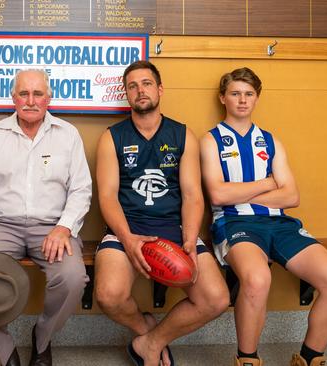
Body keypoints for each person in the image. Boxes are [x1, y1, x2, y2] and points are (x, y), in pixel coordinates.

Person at [200, 67, 327, 366]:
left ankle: (310, 358)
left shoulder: (270, 141)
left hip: (279, 224)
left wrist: (241, 192)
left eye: (249, 94)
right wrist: (269, 182)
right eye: (235, 94)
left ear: (257, 98)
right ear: (223, 98)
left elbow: (292, 197)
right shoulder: (211, 140)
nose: (242, 100)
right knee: (258, 279)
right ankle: (248, 359)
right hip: (234, 223)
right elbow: (218, 196)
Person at [94, 60, 229, 366]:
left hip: (175, 227)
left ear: (160, 89)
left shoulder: (183, 135)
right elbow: (107, 196)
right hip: (126, 228)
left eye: (146, 83)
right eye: (132, 86)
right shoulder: (111, 137)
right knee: (108, 295)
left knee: (216, 298)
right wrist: (127, 240)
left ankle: (150, 343)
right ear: (126, 95)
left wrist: (191, 240)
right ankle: (146, 329)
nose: (140, 90)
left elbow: (194, 195)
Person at [0, 69, 92, 366]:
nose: (31, 100)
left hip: (52, 227)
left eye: (38, 94)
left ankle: (42, 336)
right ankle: (7, 352)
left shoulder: (68, 134)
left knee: (73, 278)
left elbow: (81, 189)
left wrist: (63, 228)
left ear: (49, 98)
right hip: (2, 225)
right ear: (14, 98)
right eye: (24, 93)